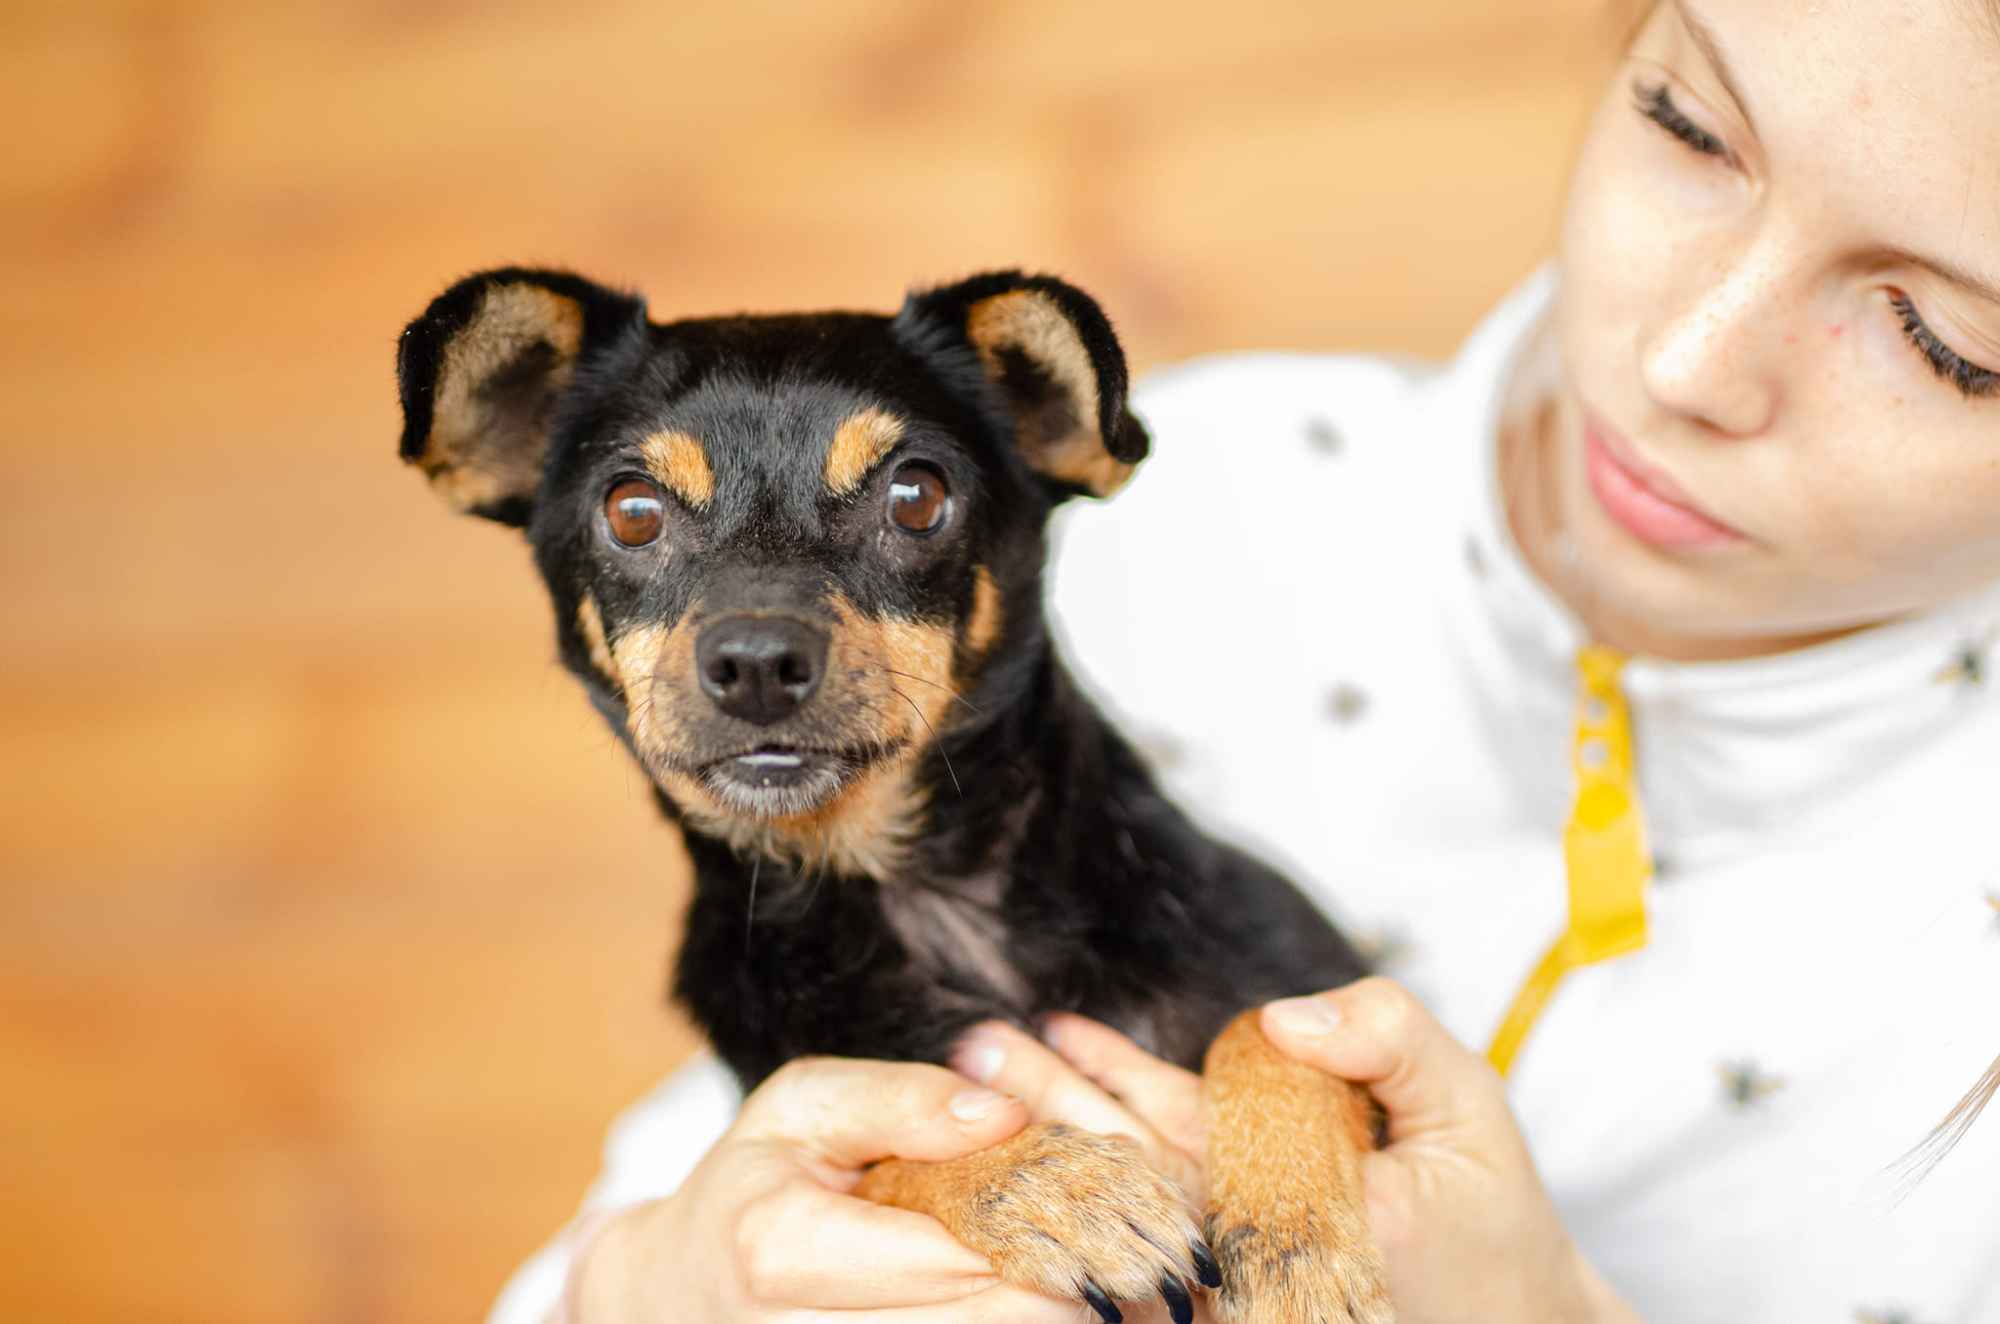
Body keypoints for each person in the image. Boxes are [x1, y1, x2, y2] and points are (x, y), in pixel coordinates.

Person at [491, 1, 2000, 1319]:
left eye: (1945, 339)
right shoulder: (1190, 498)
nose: (1690, 367)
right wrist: (644, 1282)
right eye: (1690, 125)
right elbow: (709, 1187)